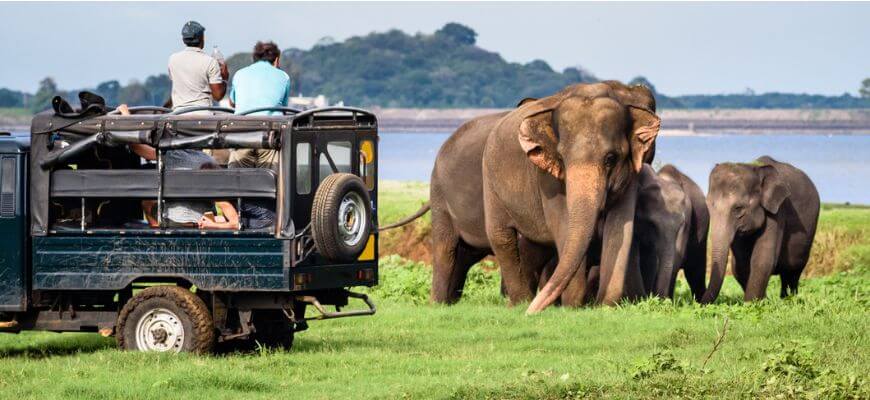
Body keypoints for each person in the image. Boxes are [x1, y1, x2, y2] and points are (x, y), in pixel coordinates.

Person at [227, 41, 290, 171]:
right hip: (269, 135)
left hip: (241, 134)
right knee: (271, 181)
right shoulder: (283, 76)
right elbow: (283, 107)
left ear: (254, 58)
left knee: (237, 181)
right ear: (276, 59)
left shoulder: (240, 74)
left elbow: (232, 102)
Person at [168, 20, 228, 110]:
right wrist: (225, 79)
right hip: (202, 116)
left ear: (183, 40)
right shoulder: (210, 62)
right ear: (202, 38)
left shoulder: (172, 59)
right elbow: (218, 96)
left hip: (178, 115)